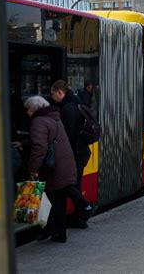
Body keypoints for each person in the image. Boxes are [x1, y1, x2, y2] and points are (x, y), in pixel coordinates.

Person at [24, 96, 77, 243]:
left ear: (34, 109)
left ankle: (51, 231)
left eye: (28, 109)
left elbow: (40, 148)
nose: (27, 113)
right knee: (59, 203)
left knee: (50, 202)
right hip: (65, 166)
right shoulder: (55, 118)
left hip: (53, 170)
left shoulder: (38, 122)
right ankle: (60, 234)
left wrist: (33, 168)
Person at [51, 80, 95, 228]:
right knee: (75, 183)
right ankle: (80, 217)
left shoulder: (69, 109)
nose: (51, 97)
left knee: (69, 184)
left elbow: (68, 136)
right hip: (81, 152)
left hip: (75, 154)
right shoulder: (76, 102)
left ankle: (85, 210)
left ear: (59, 93)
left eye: (52, 94)